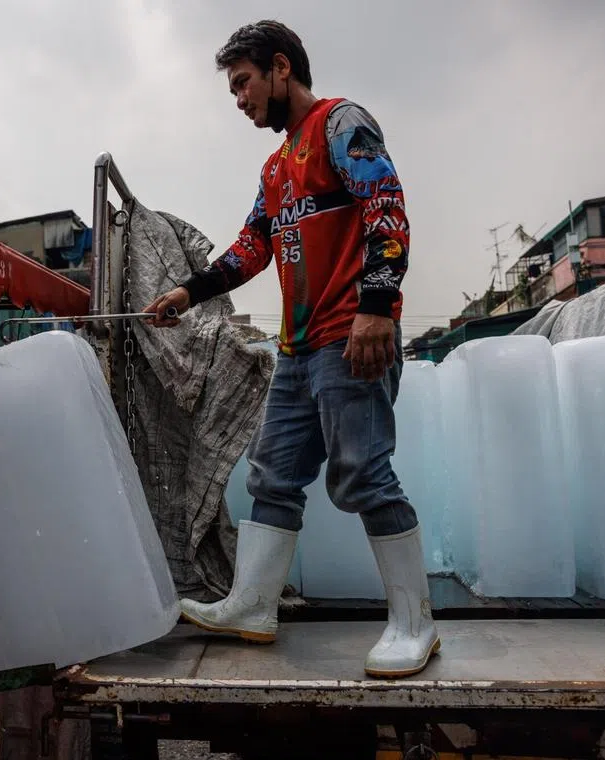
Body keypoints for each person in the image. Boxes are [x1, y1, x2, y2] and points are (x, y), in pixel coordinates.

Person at [146, 20, 439, 678]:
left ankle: (414, 622)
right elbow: (253, 246)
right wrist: (186, 293)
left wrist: (376, 309)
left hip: (349, 338)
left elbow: (386, 206)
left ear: (281, 69)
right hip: (298, 350)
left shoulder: (342, 124)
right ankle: (253, 605)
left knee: (364, 473)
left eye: (244, 83)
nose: (240, 99)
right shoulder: (276, 167)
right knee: (271, 476)